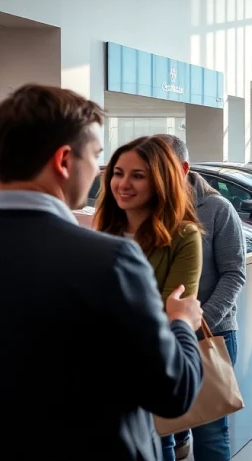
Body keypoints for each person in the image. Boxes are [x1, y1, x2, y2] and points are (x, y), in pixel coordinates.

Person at [0, 84, 204, 461]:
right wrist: (181, 322)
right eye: (97, 156)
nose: (100, 172)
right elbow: (173, 391)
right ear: (64, 160)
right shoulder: (109, 260)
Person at [94, 136, 205, 461]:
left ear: (161, 180)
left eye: (137, 176)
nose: (123, 184)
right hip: (101, 377)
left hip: (151, 366)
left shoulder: (183, 235)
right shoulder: (100, 231)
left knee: (161, 443)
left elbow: (172, 310)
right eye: (117, 173)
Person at [155, 134, 246, 461]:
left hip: (209, 333)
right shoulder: (146, 209)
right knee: (159, 434)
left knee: (210, 433)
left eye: (162, 167)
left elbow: (234, 274)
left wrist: (197, 320)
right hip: (158, 338)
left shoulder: (217, 209)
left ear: (183, 168)